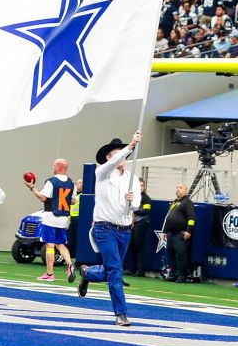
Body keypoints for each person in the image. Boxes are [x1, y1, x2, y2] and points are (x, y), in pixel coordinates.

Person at [77, 130, 142, 326]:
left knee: (113, 270)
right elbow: (113, 164)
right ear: (107, 158)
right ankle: (120, 314)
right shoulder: (102, 173)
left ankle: (88, 273)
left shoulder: (132, 178)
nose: (118, 157)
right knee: (115, 271)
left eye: (120, 153)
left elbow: (136, 205)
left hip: (123, 231)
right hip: (104, 229)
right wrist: (129, 147)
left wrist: (131, 202)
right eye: (114, 154)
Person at [26, 159, 77, 282]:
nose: (52, 167)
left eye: (54, 165)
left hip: (50, 216)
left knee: (50, 245)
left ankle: (49, 273)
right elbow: (73, 201)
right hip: (64, 218)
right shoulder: (71, 183)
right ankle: (70, 264)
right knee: (61, 244)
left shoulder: (51, 181)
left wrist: (32, 188)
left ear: (58, 168)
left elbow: (43, 198)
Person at [162, 183, 196, 283]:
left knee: (181, 256)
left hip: (180, 234)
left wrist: (189, 231)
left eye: (180, 188)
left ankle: (182, 276)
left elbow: (191, 218)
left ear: (185, 191)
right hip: (171, 234)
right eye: (177, 187)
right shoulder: (175, 202)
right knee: (171, 255)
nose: (178, 189)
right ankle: (173, 275)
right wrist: (165, 231)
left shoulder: (188, 202)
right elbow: (169, 217)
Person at [126, 178, 154, 277]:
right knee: (131, 246)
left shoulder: (146, 198)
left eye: (142, 185)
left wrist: (133, 209)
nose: (140, 187)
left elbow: (145, 212)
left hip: (141, 223)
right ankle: (131, 269)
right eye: (139, 185)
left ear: (144, 187)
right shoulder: (133, 196)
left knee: (139, 246)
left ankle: (141, 270)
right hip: (131, 223)